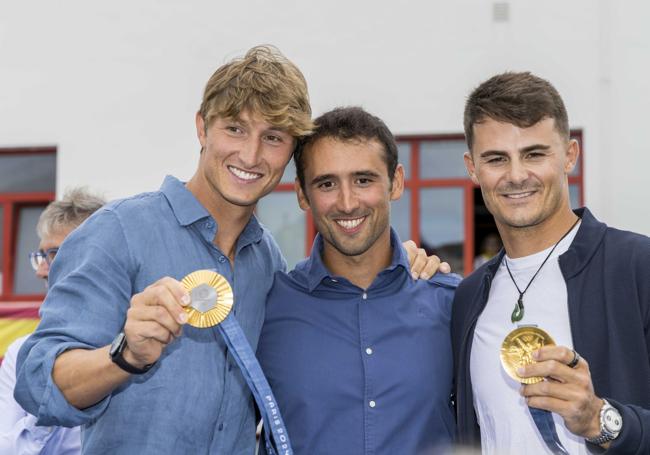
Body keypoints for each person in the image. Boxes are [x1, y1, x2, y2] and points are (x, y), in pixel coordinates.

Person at [14, 46, 442, 455]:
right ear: (202, 128)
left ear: (290, 152)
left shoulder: (268, 262)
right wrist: (123, 355)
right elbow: (36, 384)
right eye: (234, 128)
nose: (251, 154)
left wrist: (400, 264)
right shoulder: (118, 231)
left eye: (273, 137)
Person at [452, 71, 650, 454]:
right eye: (496, 159)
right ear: (472, 168)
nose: (516, 175)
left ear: (570, 156)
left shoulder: (637, 268)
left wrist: (600, 419)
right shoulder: (468, 297)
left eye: (534, 154)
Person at [257, 106, 460, 454]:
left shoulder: (453, 304)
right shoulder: (266, 309)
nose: (347, 203)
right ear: (303, 195)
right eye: (327, 184)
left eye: (363, 180)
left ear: (395, 182)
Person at [0, 188, 105, 455]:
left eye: (55, 254)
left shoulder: (141, 343)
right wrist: (52, 400)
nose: (42, 271)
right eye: (41, 256)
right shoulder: (22, 353)